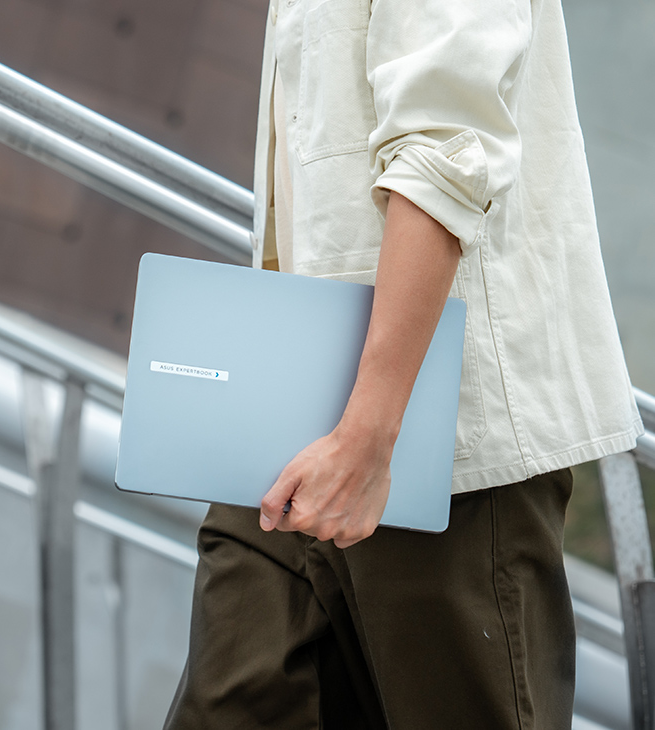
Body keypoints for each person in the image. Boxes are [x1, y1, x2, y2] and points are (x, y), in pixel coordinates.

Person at [164, 0, 644, 727]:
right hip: (293, 408)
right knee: (227, 703)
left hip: (443, 441)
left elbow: (444, 156)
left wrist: (368, 436)